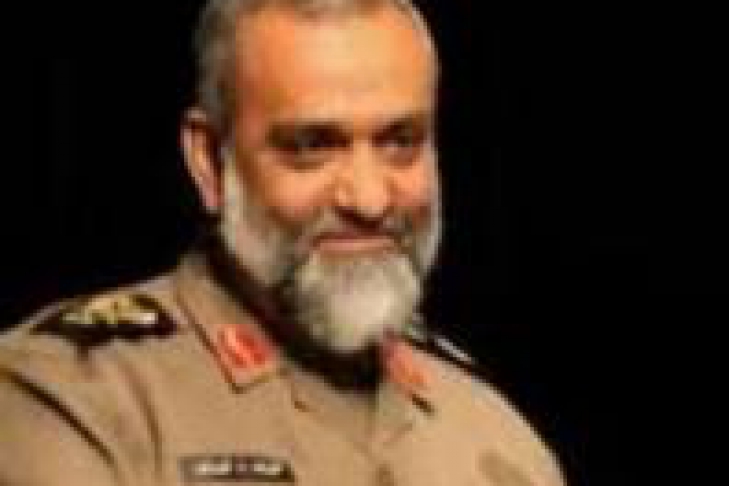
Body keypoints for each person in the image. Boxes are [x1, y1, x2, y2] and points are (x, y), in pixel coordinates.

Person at [0, 0, 565, 484]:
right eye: (312, 146)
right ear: (209, 160)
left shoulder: (492, 433)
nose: (369, 200)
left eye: (400, 141)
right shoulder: (78, 396)